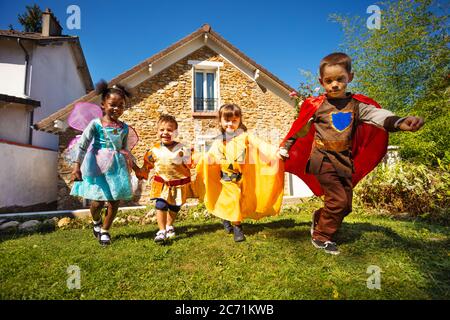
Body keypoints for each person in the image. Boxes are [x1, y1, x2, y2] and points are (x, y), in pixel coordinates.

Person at [280, 52, 424, 255]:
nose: (335, 84)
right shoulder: (317, 106)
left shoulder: (356, 106)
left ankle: (320, 218)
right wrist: (286, 146)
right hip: (322, 159)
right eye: (329, 81)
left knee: (346, 205)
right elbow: (300, 127)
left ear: (350, 77)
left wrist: (399, 122)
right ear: (322, 82)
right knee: (337, 201)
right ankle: (321, 235)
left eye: (340, 79)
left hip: (344, 161)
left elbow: (377, 115)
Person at [195, 104, 285, 242]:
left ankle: (226, 218)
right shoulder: (219, 141)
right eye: (227, 120)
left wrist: (275, 152)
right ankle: (238, 227)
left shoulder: (245, 137)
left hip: (242, 178)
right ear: (220, 121)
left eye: (234, 120)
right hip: (225, 179)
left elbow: (261, 144)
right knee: (233, 199)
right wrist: (202, 158)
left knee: (237, 201)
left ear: (239, 121)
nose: (230, 123)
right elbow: (211, 155)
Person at [71, 80, 136, 246]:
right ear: (103, 105)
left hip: (116, 168)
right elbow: (83, 144)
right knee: (97, 202)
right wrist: (76, 166)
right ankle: (96, 221)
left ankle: (105, 231)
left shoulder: (124, 127)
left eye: (121, 105)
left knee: (114, 201)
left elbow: (126, 149)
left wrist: (136, 167)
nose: (117, 109)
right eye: (112, 105)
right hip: (97, 167)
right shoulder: (96, 124)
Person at [135, 115, 193, 243]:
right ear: (157, 131)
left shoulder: (183, 149)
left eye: (169, 130)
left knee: (174, 207)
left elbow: (191, 163)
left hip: (179, 183)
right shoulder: (153, 151)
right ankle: (161, 231)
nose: (165, 132)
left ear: (175, 132)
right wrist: (140, 173)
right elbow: (147, 166)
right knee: (160, 205)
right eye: (162, 130)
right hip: (162, 183)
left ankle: (169, 225)